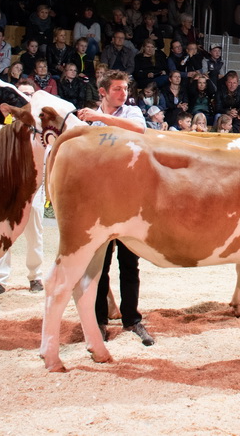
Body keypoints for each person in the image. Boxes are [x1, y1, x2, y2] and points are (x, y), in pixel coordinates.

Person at [75, 70, 153, 345]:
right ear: (103, 92)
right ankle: (99, 320)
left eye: (125, 89)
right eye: (117, 89)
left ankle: (132, 319)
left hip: (130, 200)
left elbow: (139, 130)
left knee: (130, 263)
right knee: (99, 265)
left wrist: (99, 118)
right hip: (100, 202)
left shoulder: (130, 113)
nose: (124, 94)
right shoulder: (85, 121)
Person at [0, 79, 45, 297]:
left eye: (29, 94)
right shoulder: (6, 125)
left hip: (33, 189)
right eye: (22, 94)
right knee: (3, 233)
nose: (26, 97)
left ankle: (35, 276)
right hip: (8, 187)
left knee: (35, 235)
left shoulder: (41, 126)